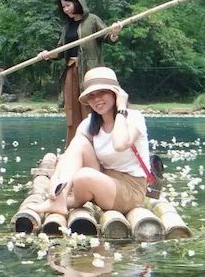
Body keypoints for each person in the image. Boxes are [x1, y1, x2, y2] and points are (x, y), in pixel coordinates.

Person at [30, 67, 149, 216]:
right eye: (91, 95)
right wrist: (56, 179)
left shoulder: (134, 118)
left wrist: (121, 108)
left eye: (102, 92)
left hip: (130, 189)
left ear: (116, 93)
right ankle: (59, 200)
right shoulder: (90, 123)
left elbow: (119, 145)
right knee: (79, 142)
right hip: (103, 179)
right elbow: (71, 153)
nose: (97, 99)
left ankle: (72, 201)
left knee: (83, 175)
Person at [38, 0, 122, 146]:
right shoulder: (67, 26)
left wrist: (115, 32)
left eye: (68, 5)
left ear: (77, 3)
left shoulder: (92, 20)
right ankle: (74, 147)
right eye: (63, 7)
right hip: (71, 71)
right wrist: (46, 54)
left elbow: (108, 38)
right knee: (72, 109)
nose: (66, 9)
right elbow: (60, 51)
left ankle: (97, 145)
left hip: (90, 72)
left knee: (90, 107)